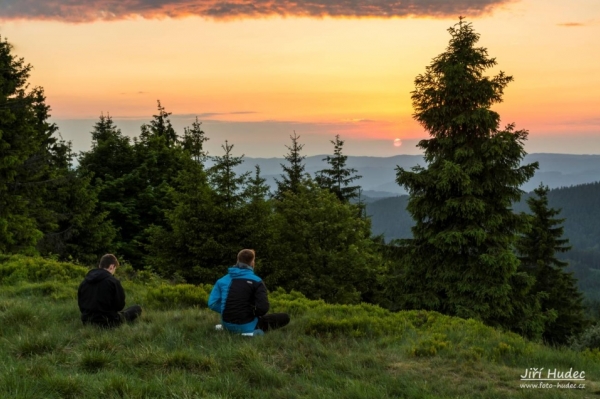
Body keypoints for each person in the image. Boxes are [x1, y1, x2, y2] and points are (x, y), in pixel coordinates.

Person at [208, 249, 290, 334]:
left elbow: (212, 303)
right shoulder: (257, 281)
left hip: (226, 324)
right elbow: (263, 308)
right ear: (252, 262)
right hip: (247, 325)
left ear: (237, 260)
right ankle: (250, 333)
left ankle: (230, 329)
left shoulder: (222, 280)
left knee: (235, 321)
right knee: (285, 317)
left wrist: (227, 309)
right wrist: (252, 313)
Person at [78, 254, 142, 328]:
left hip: (87, 321)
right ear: (112, 266)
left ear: (100, 265)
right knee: (136, 309)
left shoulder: (85, 282)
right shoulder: (113, 281)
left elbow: (81, 306)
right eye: (115, 268)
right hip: (108, 321)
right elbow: (119, 306)